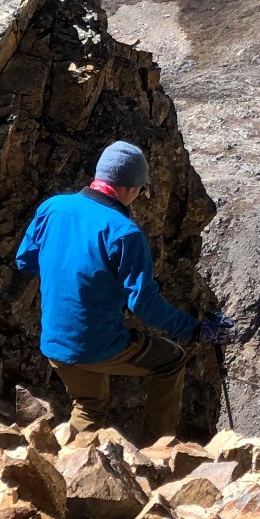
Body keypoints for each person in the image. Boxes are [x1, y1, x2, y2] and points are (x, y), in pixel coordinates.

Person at [14, 142, 228, 440]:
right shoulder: (124, 233)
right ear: (131, 187)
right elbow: (144, 305)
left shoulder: (52, 207)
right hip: (97, 344)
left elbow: (24, 259)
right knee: (171, 360)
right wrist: (195, 329)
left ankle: (66, 467)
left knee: (89, 405)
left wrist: (68, 275)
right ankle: (160, 449)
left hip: (55, 341)